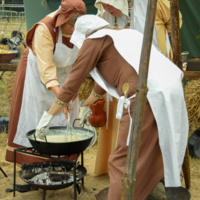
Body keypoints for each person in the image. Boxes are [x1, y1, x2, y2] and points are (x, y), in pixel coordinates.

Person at [36, 15, 189, 200]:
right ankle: (151, 186)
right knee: (157, 142)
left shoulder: (94, 41)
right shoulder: (125, 36)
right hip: (169, 90)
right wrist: (85, 106)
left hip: (144, 96)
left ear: (84, 35)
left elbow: (72, 83)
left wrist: (47, 118)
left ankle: (120, 197)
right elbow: (102, 85)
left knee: (122, 156)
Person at [93, 0, 182, 175]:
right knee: (124, 117)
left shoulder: (153, 3)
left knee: (154, 117)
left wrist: (159, 43)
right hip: (123, 74)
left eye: (109, 4)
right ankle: (121, 169)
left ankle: (156, 171)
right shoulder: (106, 12)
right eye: (102, 4)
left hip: (155, 69)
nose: (105, 9)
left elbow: (175, 23)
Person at [5, 0, 86, 165]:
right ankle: (33, 164)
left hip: (66, 75)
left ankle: (63, 163)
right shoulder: (45, 29)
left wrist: (71, 89)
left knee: (67, 118)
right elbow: (47, 69)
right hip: (37, 71)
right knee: (35, 115)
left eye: (77, 21)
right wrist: (61, 97)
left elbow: (83, 62)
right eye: (69, 21)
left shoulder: (85, 30)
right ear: (61, 17)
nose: (73, 25)